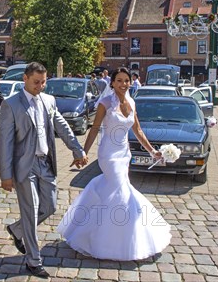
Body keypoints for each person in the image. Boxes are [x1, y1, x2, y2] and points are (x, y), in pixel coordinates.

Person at [57, 67, 171, 261]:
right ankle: (115, 240)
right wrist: (83, 151)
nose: (123, 84)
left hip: (124, 154)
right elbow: (94, 129)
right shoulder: (105, 103)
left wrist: (153, 151)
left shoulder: (132, 102)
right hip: (108, 155)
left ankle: (98, 233)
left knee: (112, 191)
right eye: (119, 80)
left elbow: (138, 131)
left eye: (126, 80)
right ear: (112, 83)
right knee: (122, 193)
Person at [0, 62, 87, 278]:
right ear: (25, 79)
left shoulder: (49, 101)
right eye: (37, 82)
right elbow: (5, 142)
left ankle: (17, 230)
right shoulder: (11, 105)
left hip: (45, 163)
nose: (41, 86)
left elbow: (62, 126)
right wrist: (6, 175)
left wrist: (78, 149)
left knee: (50, 206)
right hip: (23, 166)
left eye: (44, 82)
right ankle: (33, 260)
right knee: (31, 209)